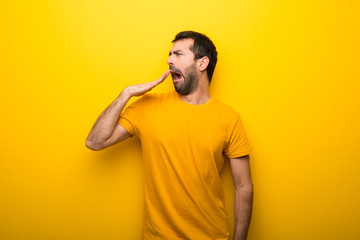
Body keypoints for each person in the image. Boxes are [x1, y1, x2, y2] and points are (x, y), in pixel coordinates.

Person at [86, 31, 253, 240]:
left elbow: (243, 186)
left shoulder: (229, 118)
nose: (169, 60)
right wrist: (125, 94)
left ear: (202, 63)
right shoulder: (147, 107)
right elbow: (95, 141)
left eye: (178, 54)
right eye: (169, 54)